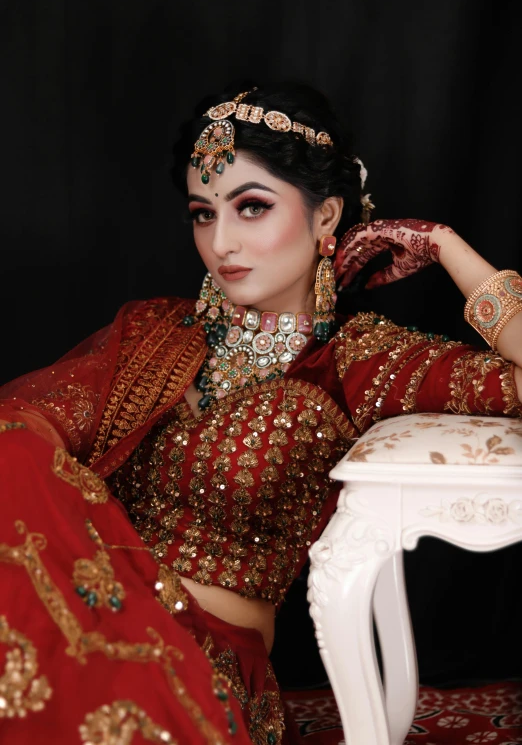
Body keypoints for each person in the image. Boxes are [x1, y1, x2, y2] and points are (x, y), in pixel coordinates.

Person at [1, 82, 521, 745]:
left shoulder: (353, 363)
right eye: (201, 213)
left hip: (203, 665)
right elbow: (25, 427)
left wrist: (448, 248)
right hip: (87, 620)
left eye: (250, 207)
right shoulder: (155, 333)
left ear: (326, 216)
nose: (221, 242)